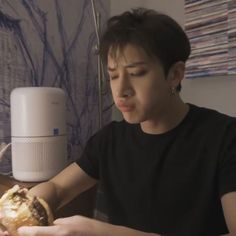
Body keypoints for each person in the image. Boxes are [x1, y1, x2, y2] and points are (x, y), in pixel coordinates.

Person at [1, 7, 236, 236]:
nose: (121, 90)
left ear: (174, 74)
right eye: (113, 75)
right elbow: (58, 188)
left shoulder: (225, 137)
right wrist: (21, 209)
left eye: (136, 73)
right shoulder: (110, 139)